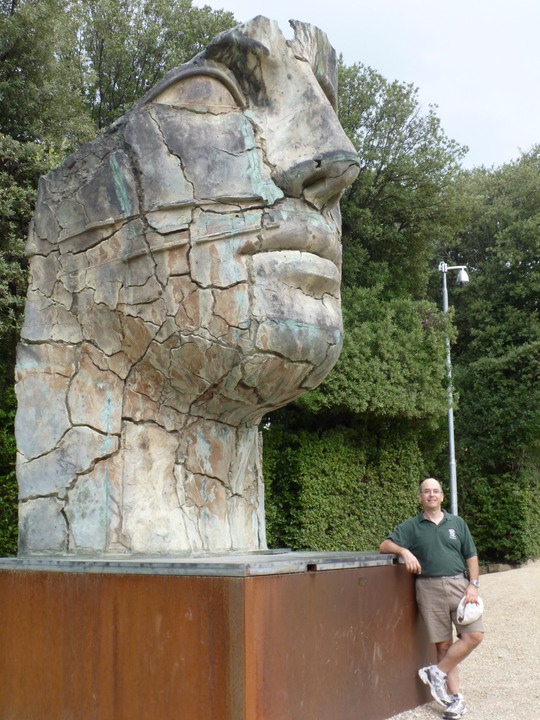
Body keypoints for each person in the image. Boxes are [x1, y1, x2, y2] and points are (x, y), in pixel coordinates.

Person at [379, 477, 484, 720]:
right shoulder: (411, 526)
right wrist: (404, 551)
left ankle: (436, 672)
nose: (431, 495)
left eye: (435, 491)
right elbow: (384, 545)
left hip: (461, 586)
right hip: (428, 588)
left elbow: (471, 555)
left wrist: (474, 585)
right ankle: (455, 699)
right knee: (444, 645)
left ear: (442, 496)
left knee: (474, 635)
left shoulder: (457, 523)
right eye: (426, 491)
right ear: (420, 497)